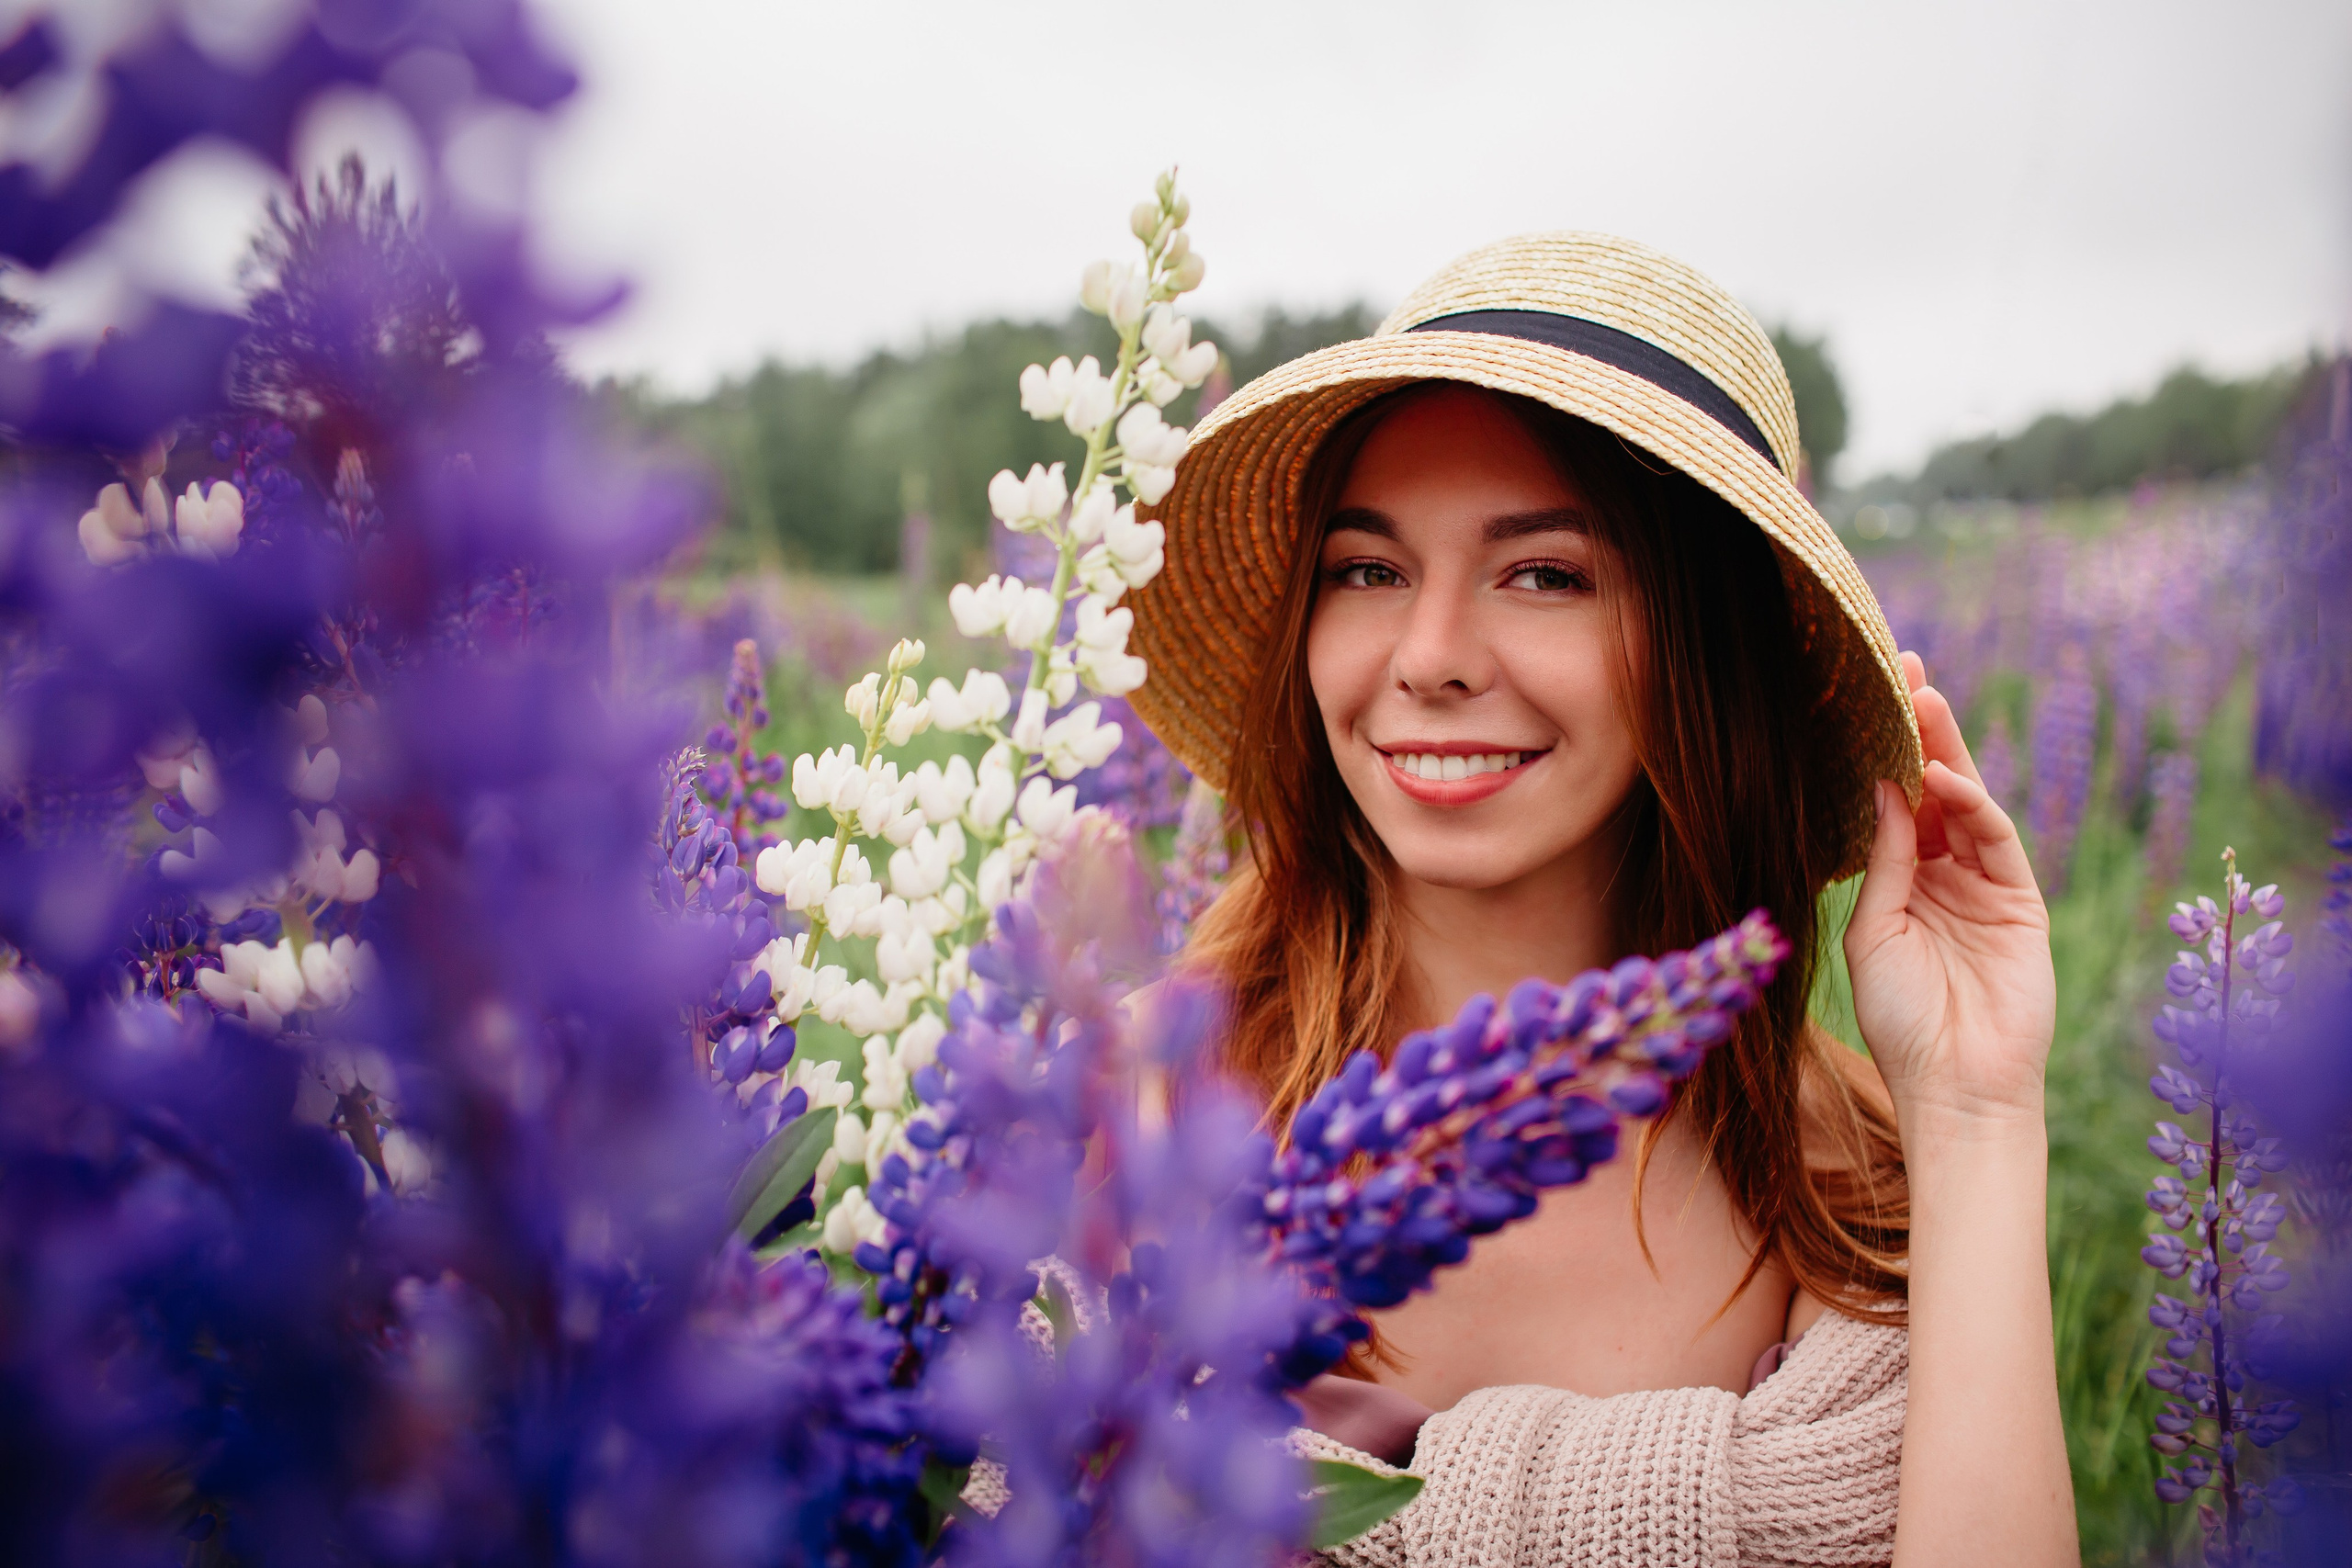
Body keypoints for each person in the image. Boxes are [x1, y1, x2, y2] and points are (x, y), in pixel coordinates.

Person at [1123, 233, 2077, 1564]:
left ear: (1702, 658)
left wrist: (1977, 1113)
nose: (1432, 656)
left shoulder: (1853, 1177)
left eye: (1545, 573)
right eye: (1368, 568)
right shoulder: (1140, 1094)